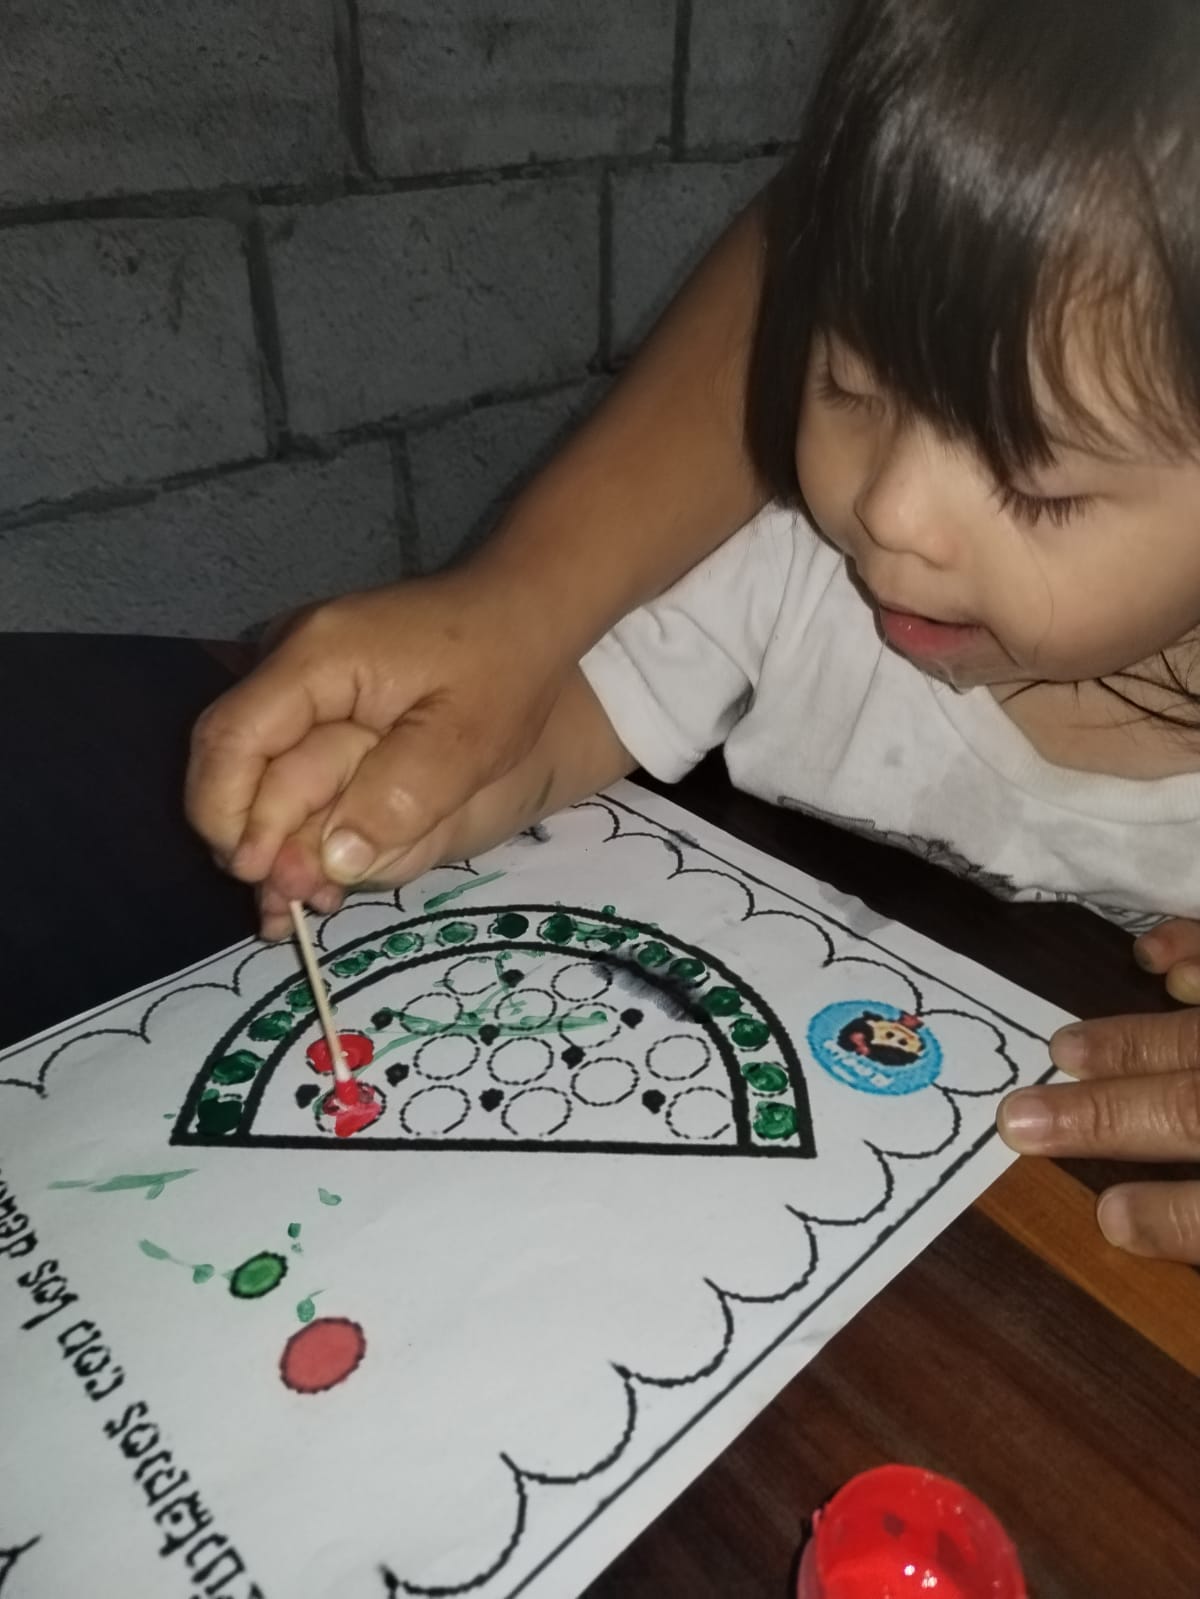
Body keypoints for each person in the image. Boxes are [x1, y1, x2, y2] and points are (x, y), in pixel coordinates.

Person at [186, 0, 1200, 1261]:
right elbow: (557, 727)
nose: (887, 512)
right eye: (847, 385)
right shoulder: (788, 567)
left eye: (1036, 480)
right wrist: (399, 795)